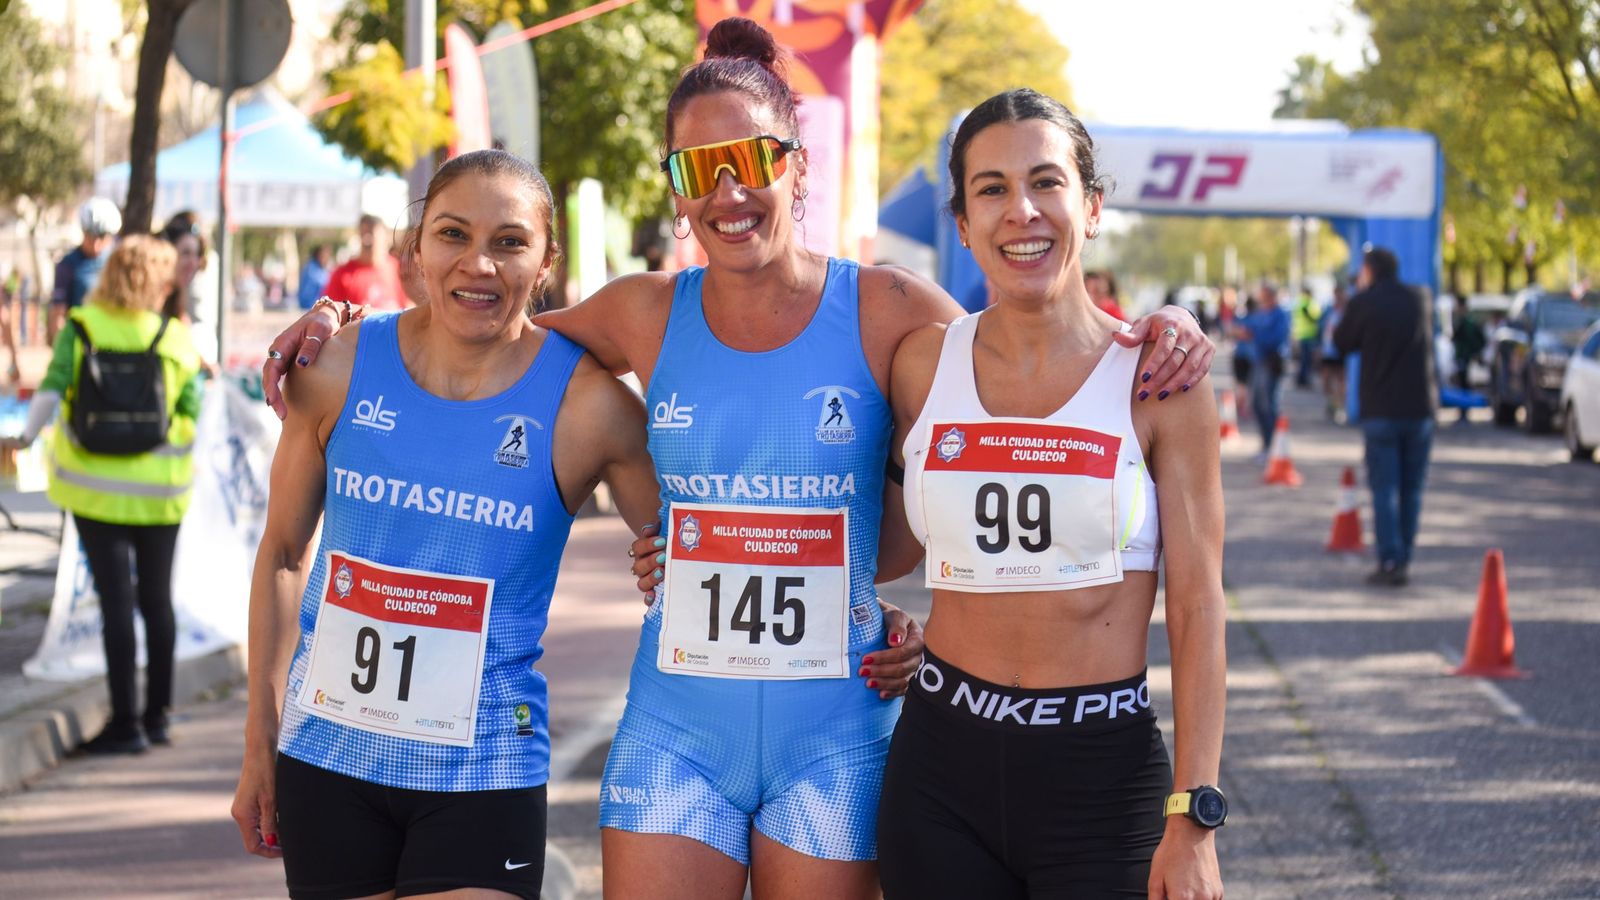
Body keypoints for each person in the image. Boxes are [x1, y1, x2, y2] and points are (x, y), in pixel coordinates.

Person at [261, 19, 1213, 897]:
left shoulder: (893, 309)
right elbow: (479, 320)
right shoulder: (641, 311)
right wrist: (342, 325)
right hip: (677, 732)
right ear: (674, 185)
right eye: (699, 166)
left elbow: (1023, 385)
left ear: (795, 165)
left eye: (753, 158)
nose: (729, 190)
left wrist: (1158, 329)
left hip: (836, 731)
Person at [229, 149, 666, 898]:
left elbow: (707, 556)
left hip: (485, 767)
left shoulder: (589, 409)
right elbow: (282, 554)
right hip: (329, 760)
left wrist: (860, 606)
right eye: (453, 235)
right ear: (415, 247)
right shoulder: (333, 367)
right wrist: (259, 742)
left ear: (546, 260)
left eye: (509, 242)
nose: (479, 264)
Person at [872, 87, 1226, 900]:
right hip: (938, 773)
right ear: (962, 224)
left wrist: (1195, 817)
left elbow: (1200, 605)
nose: (1020, 211)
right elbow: (884, 543)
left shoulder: (1161, 379)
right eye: (991, 189)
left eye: (1046, 182)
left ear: (1092, 207)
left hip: (1101, 780)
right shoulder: (920, 365)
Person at [3, 236, 203, 753]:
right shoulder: (174, 336)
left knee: (116, 603)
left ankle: (125, 725)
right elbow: (193, 408)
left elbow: (51, 389)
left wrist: (24, 438)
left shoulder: (82, 328)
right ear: (157, 282)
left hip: (94, 493)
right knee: (157, 602)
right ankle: (158, 716)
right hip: (160, 496)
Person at [1333, 247, 1438, 587]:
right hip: (1420, 407)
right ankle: (1404, 556)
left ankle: (1390, 560)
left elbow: (1342, 342)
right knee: (1412, 488)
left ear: (1369, 270)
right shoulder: (1421, 298)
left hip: (1381, 409)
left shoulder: (1365, 301)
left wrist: (1356, 298)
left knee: (1384, 487)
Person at [48, 198, 122, 343]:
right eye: (90, 236)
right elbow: (58, 313)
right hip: (80, 340)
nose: (95, 244)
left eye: (101, 237)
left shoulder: (117, 263)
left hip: (112, 340)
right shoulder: (68, 264)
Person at [1233, 282, 1290, 456]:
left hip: (1270, 364)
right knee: (1258, 404)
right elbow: (1248, 327)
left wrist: (1253, 335)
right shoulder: (1261, 313)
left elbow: (1276, 338)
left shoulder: (1279, 315)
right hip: (1257, 363)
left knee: (1268, 405)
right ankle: (1267, 443)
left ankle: (1272, 445)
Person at [323, 214, 407, 311]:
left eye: (372, 233)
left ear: (385, 236)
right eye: (364, 233)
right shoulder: (342, 274)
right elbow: (331, 311)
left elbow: (408, 306)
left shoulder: (398, 268)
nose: (367, 239)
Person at [1319, 283, 1350, 422]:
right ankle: (1332, 403)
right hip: (1328, 350)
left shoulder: (1347, 312)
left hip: (1341, 350)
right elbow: (1322, 329)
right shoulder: (1329, 311)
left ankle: (1340, 406)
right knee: (1326, 378)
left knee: (1341, 379)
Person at [1292, 285, 1322, 388]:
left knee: (1304, 359)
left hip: (1303, 335)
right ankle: (1302, 379)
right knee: (1306, 359)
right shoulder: (1308, 303)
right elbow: (1316, 317)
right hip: (1307, 335)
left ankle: (1302, 378)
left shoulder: (1300, 303)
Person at [297, 244, 332, 310]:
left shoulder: (323, 269)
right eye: (324, 255)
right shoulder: (311, 269)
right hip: (309, 307)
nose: (326, 258)